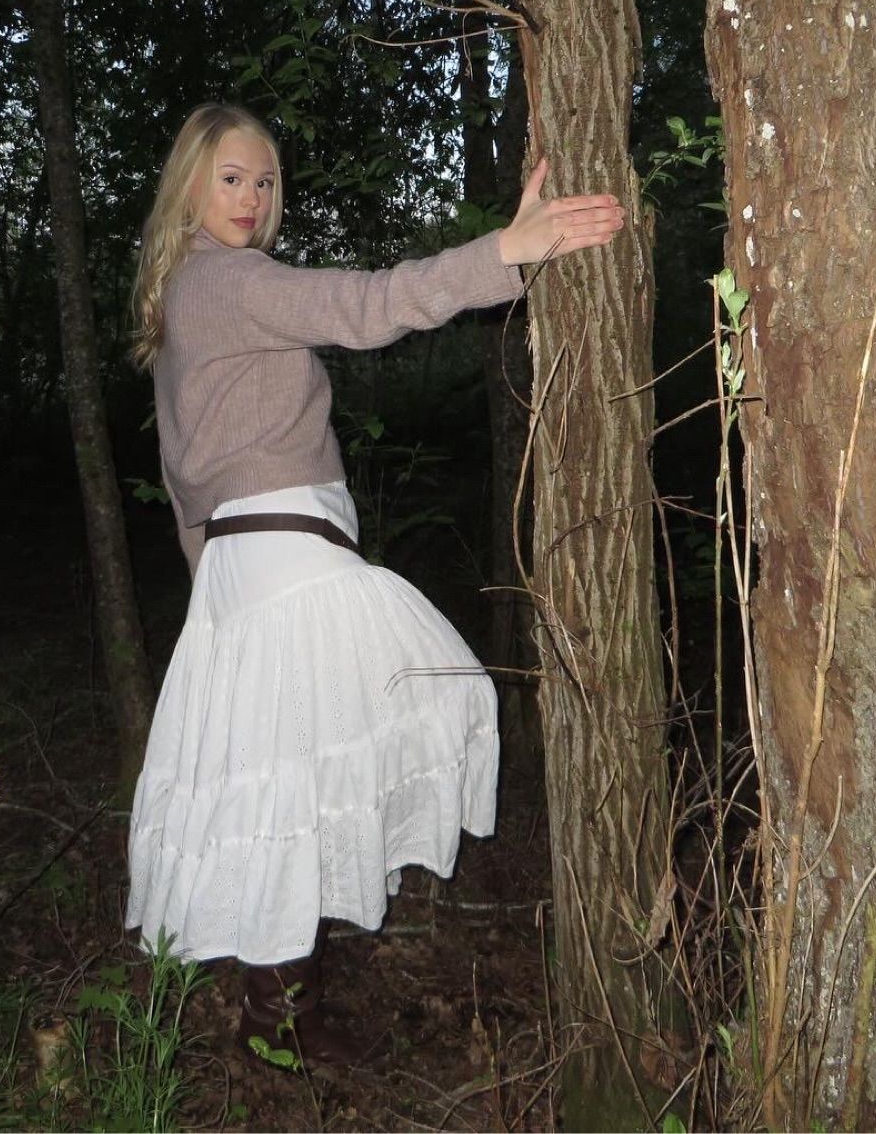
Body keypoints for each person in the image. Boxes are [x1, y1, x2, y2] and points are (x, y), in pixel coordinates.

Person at [124, 102, 623, 1066]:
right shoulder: (228, 280)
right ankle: (282, 1016)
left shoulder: (184, 296)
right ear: (188, 186)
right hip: (285, 558)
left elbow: (185, 488)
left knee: (293, 784)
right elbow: (364, 305)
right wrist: (506, 252)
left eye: (264, 181)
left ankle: (280, 1014)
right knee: (440, 696)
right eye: (230, 178)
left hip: (244, 570)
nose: (251, 198)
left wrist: (213, 603)